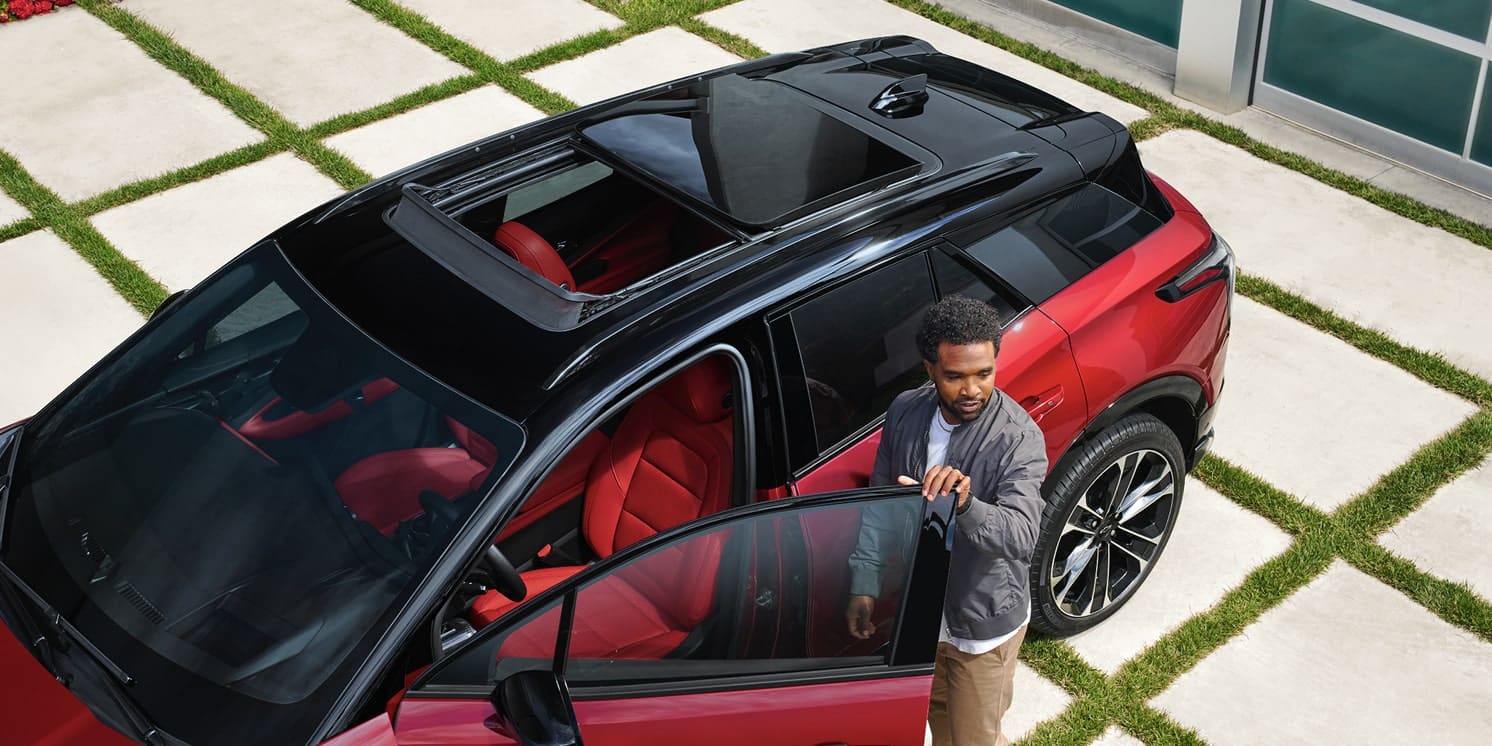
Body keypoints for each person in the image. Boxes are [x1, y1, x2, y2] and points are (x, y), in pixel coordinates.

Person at [846, 295, 1047, 746]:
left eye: (985, 373)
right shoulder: (904, 411)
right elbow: (880, 506)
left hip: (981, 626)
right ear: (930, 369)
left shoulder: (1018, 440)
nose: (972, 390)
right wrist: (865, 580)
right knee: (935, 720)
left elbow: (1022, 537)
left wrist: (966, 505)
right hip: (921, 609)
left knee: (973, 738)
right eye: (955, 376)